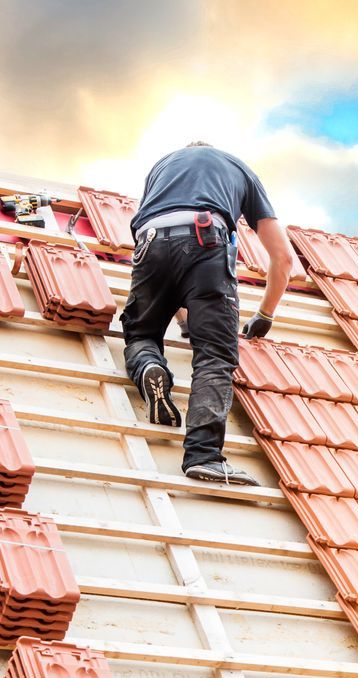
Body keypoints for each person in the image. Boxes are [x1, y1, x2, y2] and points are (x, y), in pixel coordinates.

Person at [119, 142, 295, 485]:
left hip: (149, 241)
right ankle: (204, 456)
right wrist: (265, 314)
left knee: (141, 333)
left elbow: (168, 266)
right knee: (214, 354)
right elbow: (283, 258)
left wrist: (185, 321)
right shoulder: (239, 169)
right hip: (205, 238)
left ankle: (150, 366)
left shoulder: (161, 167)